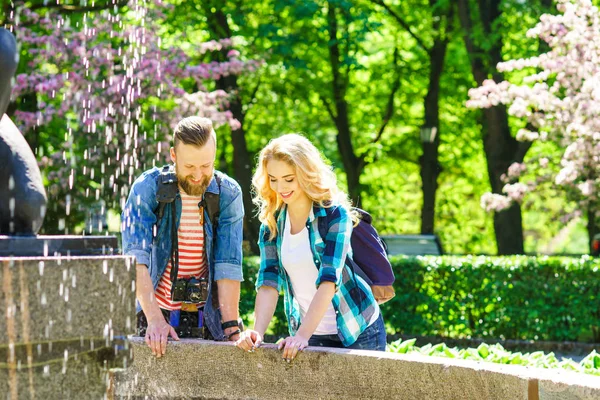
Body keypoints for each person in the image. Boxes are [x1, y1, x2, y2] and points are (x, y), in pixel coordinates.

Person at [236, 133, 386, 361]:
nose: (280, 187)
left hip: (358, 329)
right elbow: (269, 282)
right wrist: (257, 331)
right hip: (311, 332)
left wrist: (301, 337)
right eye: (273, 179)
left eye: (289, 178)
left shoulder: (335, 215)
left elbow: (329, 279)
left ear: (306, 174)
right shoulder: (272, 224)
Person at [122, 116, 244, 357]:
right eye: (189, 167)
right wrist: (155, 320)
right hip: (153, 311)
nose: (198, 175)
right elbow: (135, 258)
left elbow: (228, 264)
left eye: (206, 166)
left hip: (207, 315)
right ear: (173, 156)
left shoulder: (228, 193)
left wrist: (231, 328)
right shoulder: (147, 188)